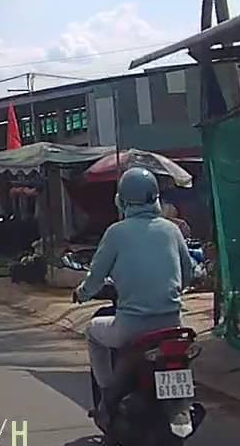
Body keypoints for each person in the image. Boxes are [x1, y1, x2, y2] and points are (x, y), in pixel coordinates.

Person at [74, 167, 196, 428]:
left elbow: (96, 277)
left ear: (121, 200)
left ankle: (106, 395)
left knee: (92, 332)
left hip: (131, 328)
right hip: (173, 325)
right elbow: (188, 273)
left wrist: (82, 294)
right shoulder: (172, 230)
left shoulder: (116, 233)